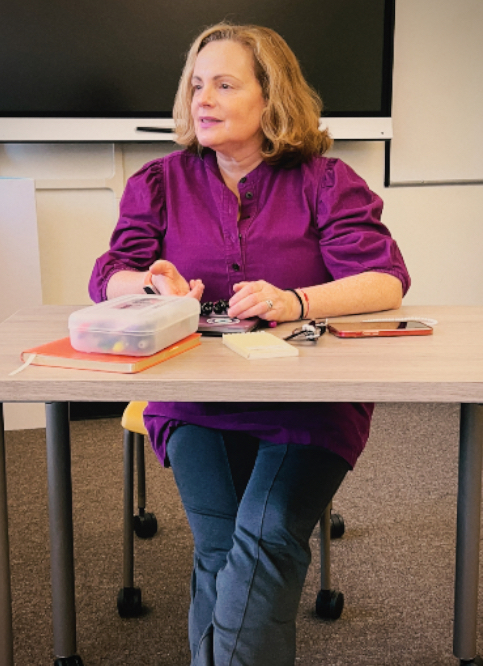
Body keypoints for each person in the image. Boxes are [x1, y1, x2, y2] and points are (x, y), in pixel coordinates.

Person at [89, 23, 410, 666]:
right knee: (219, 548)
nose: (201, 99)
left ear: (272, 98)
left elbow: (384, 280)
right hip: (196, 401)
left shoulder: (326, 180)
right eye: (196, 85)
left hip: (309, 403)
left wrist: (296, 302)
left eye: (225, 84)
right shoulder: (158, 182)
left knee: (263, 538)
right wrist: (153, 287)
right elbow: (110, 273)